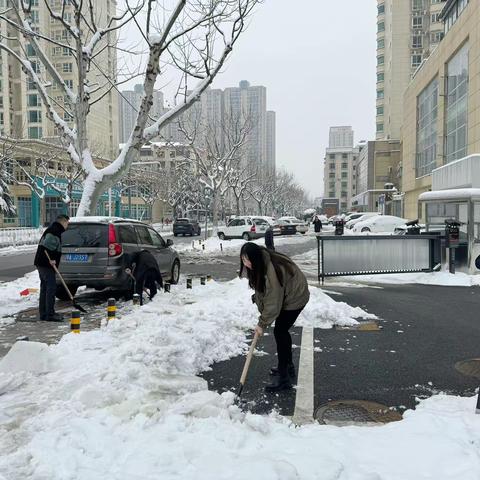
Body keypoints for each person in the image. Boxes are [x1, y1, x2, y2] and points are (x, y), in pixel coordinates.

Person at [239, 243, 310, 392]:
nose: (245, 263)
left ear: (255, 258)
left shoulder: (271, 271)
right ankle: (288, 366)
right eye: (243, 260)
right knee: (281, 331)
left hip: (295, 297)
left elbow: (273, 303)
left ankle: (284, 379)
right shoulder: (262, 262)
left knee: (280, 331)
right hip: (288, 294)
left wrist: (262, 324)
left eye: (247, 260)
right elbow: (264, 290)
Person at [34, 214, 70, 322]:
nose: (67, 225)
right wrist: (52, 259)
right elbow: (47, 245)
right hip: (46, 264)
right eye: (67, 223)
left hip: (41, 263)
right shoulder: (54, 231)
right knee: (51, 288)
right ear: (63, 222)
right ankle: (50, 314)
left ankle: (44, 314)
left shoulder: (53, 229)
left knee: (45, 288)